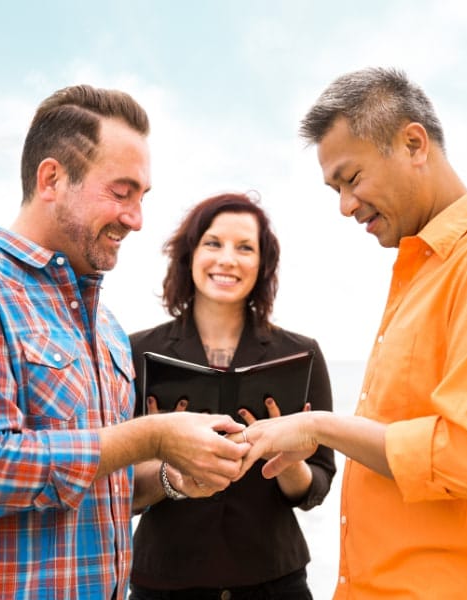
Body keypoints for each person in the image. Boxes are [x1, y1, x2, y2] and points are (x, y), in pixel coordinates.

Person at [0, 85, 250, 599]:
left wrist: (173, 476)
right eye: (121, 192)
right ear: (52, 179)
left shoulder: (106, 328)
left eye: (142, 198)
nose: (136, 219)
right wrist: (153, 436)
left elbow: (99, 489)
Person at [237, 68, 467, 598]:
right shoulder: (425, 269)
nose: (345, 205)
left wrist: (320, 427)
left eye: (352, 179)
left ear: (413, 143)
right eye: (335, 189)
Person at [127, 192, 337, 599]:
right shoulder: (135, 352)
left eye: (245, 248)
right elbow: (118, 489)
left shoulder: (301, 354)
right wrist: (166, 456)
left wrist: (286, 462)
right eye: (213, 243)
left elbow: (317, 486)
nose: (227, 259)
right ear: (190, 254)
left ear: (262, 265)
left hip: (274, 582)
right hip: (165, 584)